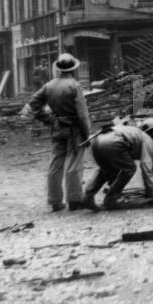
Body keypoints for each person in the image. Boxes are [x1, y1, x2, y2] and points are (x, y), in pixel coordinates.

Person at [27, 53, 93, 212]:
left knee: (56, 163)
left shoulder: (49, 85)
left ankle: (55, 201)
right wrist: (87, 133)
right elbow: (82, 113)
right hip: (74, 129)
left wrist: (48, 119)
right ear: (73, 69)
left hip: (57, 128)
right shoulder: (74, 85)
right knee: (74, 163)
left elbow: (32, 106)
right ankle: (74, 200)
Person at [82, 123, 153, 211]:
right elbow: (146, 167)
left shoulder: (135, 132)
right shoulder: (149, 141)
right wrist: (151, 192)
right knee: (129, 169)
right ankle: (111, 198)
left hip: (97, 141)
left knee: (105, 171)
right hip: (113, 142)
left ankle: (88, 196)